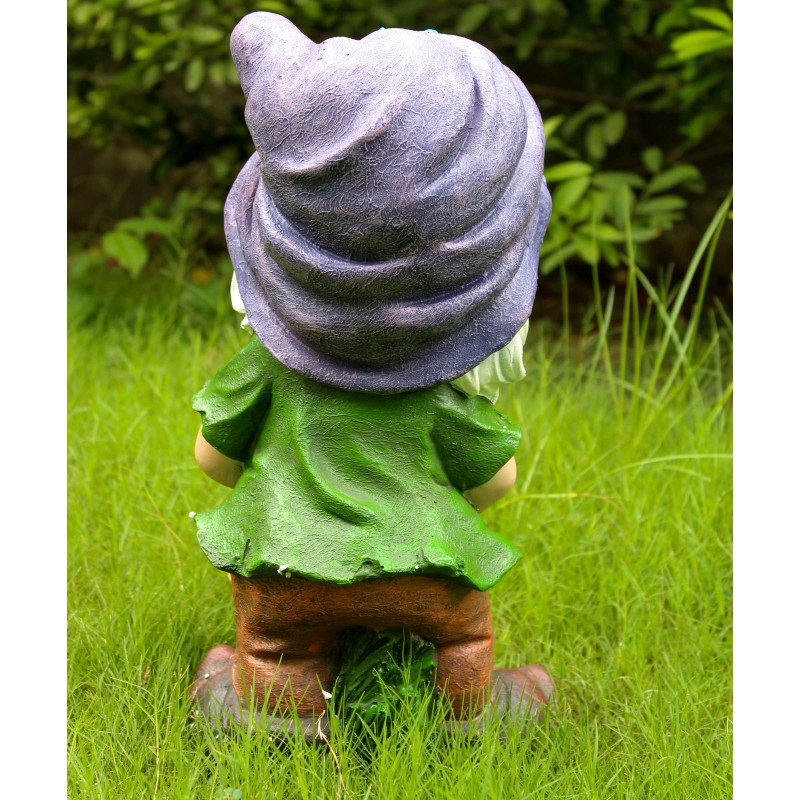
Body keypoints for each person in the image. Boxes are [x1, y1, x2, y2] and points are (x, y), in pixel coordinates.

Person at [188, 11, 554, 740]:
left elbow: (212, 461)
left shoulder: (264, 372)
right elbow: (497, 483)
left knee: (274, 649)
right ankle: (466, 712)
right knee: (463, 638)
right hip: (429, 575)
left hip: (287, 569)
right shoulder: (442, 396)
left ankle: (274, 709)